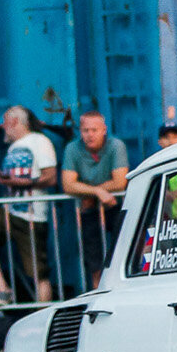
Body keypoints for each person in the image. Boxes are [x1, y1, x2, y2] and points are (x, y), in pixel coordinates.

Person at [0, 106, 59, 302]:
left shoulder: (39, 141)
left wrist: (22, 183)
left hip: (32, 215)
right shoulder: (14, 147)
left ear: (15, 121)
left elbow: (50, 178)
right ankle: (3, 289)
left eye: (5, 121)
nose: (2, 126)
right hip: (11, 211)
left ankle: (43, 313)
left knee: (38, 273)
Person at [61, 112, 128, 288]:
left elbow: (120, 182)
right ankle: (98, 294)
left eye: (94, 130)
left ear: (104, 130)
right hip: (89, 210)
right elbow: (68, 185)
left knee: (127, 252)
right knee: (94, 262)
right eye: (85, 130)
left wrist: (88, 194)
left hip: (116, 206)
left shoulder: (116, 146)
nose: (90, 135)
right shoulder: (72, 148)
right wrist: (98, 192)